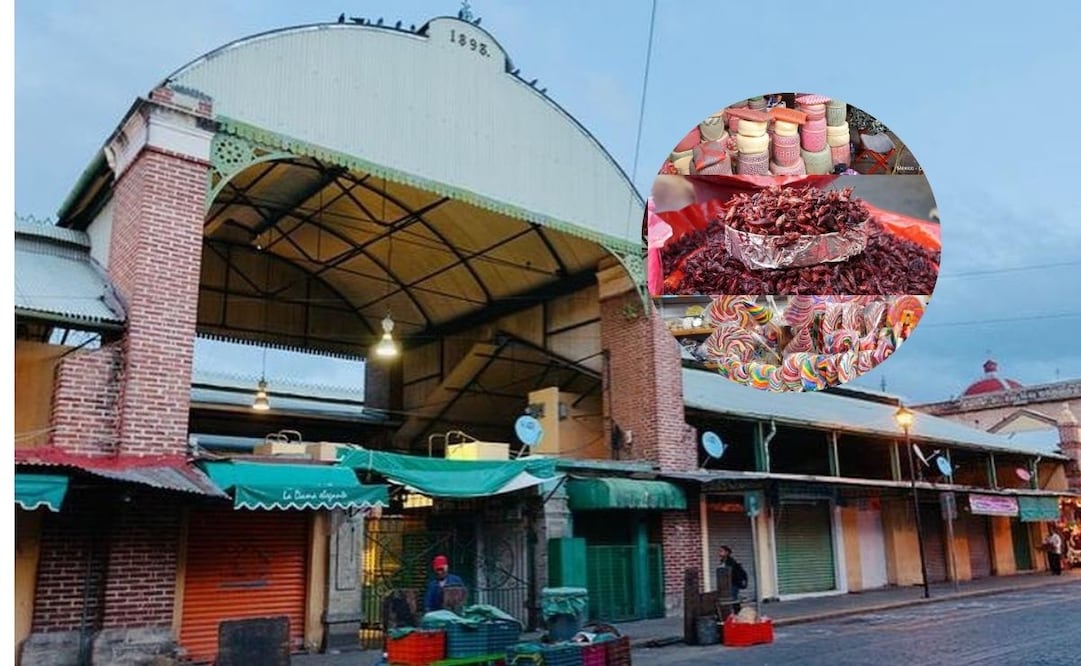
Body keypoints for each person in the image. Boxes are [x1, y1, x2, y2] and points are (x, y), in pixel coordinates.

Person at [716, 545, 749, 614]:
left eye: (721, 551)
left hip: (733, 583)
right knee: (732, 600)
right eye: (719, 551)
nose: (719, 553)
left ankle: (738, 613)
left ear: (726, 552)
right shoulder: (722, 561)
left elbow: (735, 573)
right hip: (726, 584)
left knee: (733, 600)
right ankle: (735, 613)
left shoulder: (731, 562)